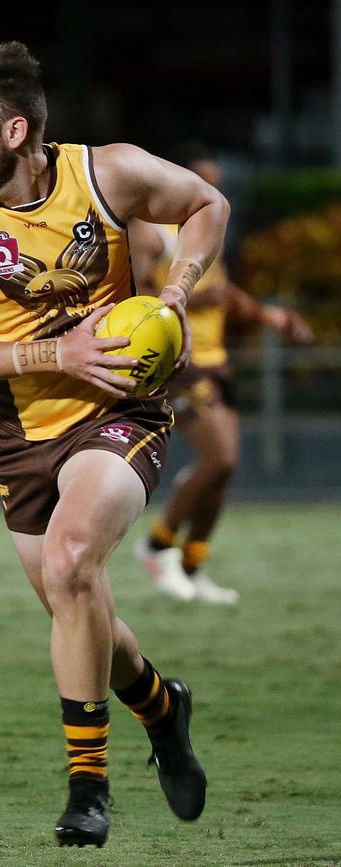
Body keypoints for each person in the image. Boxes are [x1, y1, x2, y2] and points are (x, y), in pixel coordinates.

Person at [0, 42, 230, 848]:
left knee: (73, 555)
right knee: (81, 608)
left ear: (15, 130)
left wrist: (175, 296)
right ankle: (163, 704)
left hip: (121, 414)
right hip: (21, 437)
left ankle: (88, 789)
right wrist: (56, 352)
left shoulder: (108, 175)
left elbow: (207, 208)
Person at [131, 147, 313, 604]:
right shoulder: (154, 234)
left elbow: (225, 294)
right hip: (182, 367)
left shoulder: (206, 235)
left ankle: (192, 566)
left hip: (217, 363)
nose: (209, 192)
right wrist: (187, 300)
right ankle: (156, 546)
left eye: (214, 184)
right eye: (201, 182)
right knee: (221, 459)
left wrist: (272, 318)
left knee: (222, 471)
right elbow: (133, 294)